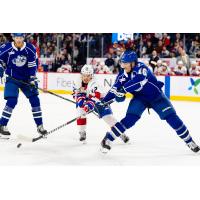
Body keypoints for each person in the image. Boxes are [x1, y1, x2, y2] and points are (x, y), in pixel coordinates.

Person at [100, 50, 200, 153]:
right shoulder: (122, 75)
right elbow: (114, 89)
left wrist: (123, 90)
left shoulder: (141, 68)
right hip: (140, 99)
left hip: (156, 97)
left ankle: (189, 141)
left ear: (133, 63)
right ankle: (108, 139)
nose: (123, 65)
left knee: (172, 118)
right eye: (122, 63)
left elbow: (139, 81)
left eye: (125, 63)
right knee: (130, 119)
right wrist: (103, 101)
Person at [0, 33, 47, 138]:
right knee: (12, 101)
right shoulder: (6, 48)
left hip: (26, 79)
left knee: (35, 100)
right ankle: (2, 125)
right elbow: (1, 60)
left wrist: (32, 79)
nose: (19, 40)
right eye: (17, 37)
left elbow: (32, 65)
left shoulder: (30, 48)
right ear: (13, 38)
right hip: (12, 79)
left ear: (23, 37)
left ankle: (40, 126)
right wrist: (1, 68)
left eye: (20, 37)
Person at [72, 64, 129, 143]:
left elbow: (96, 97)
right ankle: (82, 132)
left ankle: (121, 133)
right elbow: (76, 94)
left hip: (100, 100)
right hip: (86, 98)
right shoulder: (77, 81)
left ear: (91, 75)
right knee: (80, 111)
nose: (86, 78)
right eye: (84, 75)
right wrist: (80, 100)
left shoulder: (95, 83)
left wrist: (89, 105)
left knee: (108, 117)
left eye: (88, 76)